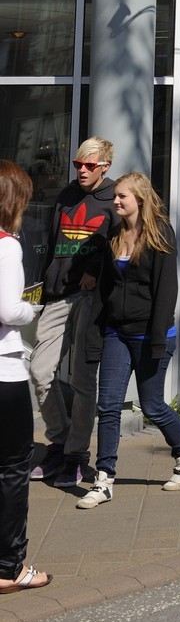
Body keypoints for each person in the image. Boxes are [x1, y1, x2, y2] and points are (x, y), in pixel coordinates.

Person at [76, 173, 180, 510]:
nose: (116, 201)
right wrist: (95, 335)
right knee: (109, 405)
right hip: (117, 332)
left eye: (122, 197)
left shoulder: (160, 233)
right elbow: (105, 291)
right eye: (115, 196)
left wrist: (158, 341)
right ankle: (104, 479)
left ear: (140, 199)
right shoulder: (114, 234)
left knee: (152, 405)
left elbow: (165, 292)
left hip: (151, 335)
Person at [29, 136, 121, 488]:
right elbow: (52, 245)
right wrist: (40, 286)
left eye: (90, 165)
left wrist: (95, 270)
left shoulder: (114, 200)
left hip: (89, 299)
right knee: (40, 370)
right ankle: (59, 439)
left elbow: (119, 247)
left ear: (105, 166)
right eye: (77, 164)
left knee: (83, 381)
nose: (82, 171)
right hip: (57, 294)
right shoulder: (66, 196)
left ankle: (76, 455)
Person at [0, 161, 51, 593]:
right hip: (4, 370)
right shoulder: (7, 246)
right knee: (14, 468)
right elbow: (9, 310)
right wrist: (32, 309)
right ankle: (10, 568)